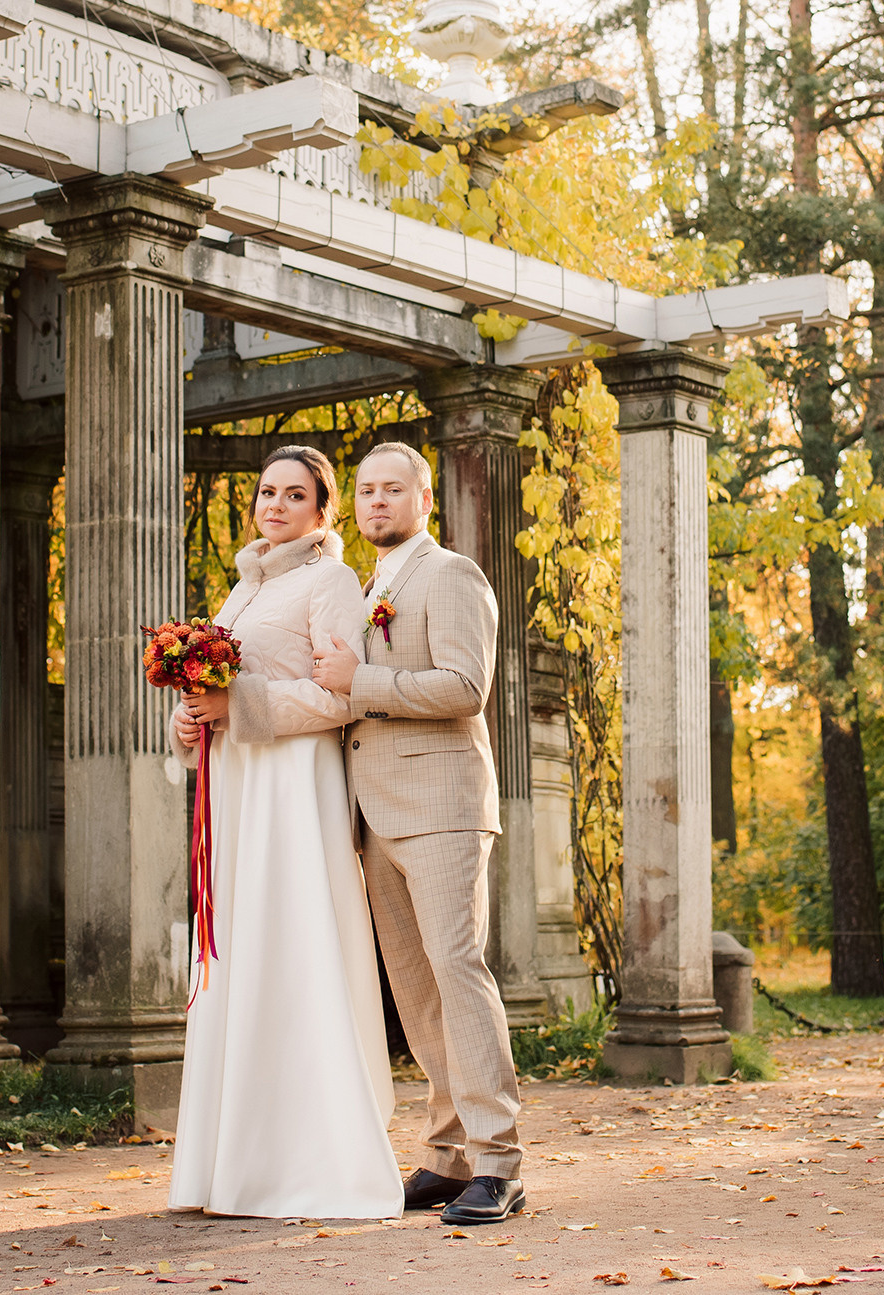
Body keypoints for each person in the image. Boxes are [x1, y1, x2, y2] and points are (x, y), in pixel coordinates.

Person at [164, 445, 402, 1221]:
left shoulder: (330, 581)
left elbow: (339, 698)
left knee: (291, 945)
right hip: (236, 787)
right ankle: (230, 1161)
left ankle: (310, 1158)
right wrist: (191, 719)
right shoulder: (239, 590)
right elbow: (221, 693)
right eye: (267, 491)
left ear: (321, 510)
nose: (275, 504)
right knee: (240, 951)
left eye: (294, 494)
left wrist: (244, 708)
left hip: (294, 788)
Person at [310, 440, 527, 1226]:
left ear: (424, 499)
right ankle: (447, 1153)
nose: (376, 503)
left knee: (458, 972)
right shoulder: (366, 587)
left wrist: (360, 682)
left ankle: (499, 1162)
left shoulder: (453, 575)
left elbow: (466, 686)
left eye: (392, 490)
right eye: (365, 490)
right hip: (375, 818)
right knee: (417, 992)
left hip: (442, 809)